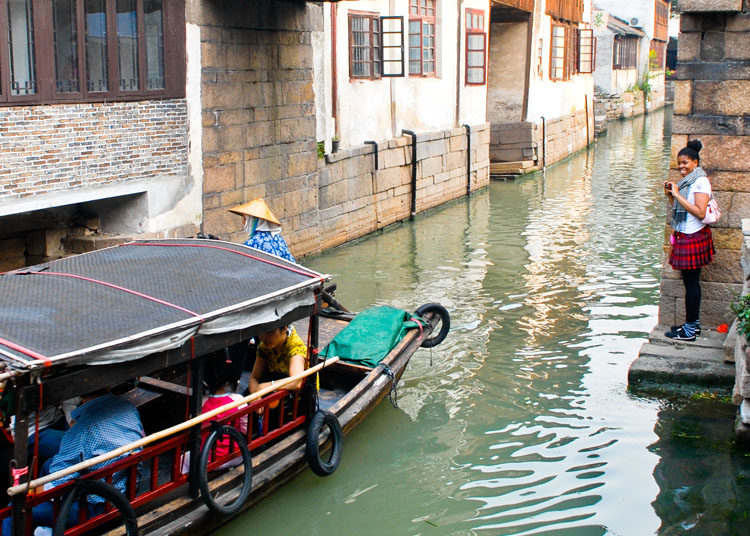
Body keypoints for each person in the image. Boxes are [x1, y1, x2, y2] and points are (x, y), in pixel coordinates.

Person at [3, 390, 145, 535]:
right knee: (50, 464)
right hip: (124, 489)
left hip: (96, 505)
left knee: (12, 514)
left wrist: (35, 494)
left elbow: (58, 482)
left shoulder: (81, 429)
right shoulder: (128, 407)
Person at [663, 139, 715, 341]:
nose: (681, 167)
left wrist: (677, 194)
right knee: (689, 283)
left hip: (694, 236)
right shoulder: (687, 183)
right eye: (679, 163)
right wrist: (671, 195)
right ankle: (692, 326)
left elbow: (700, 212)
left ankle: (690, 330)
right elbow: (679, 207)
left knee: (692, 284)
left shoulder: (701, 181)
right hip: (685, 234)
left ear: (695, 162)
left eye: (685, 163)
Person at [248, 325, 309, 407]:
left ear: (284, 328)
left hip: (297, 398)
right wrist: (256, 397)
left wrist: (265, 386)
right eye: (260, 333)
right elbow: (254, 378)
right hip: (273, 380)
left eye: (269, 332)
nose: (264, 338)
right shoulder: (264, 346)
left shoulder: (296, 349)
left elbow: (296, 382)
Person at [229, 199, 296, 263]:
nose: (243, 222)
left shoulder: (254, 242)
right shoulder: (278, 238)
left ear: (252, 221)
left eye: (245, 219)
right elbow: (291, 261)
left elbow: (237, 262)